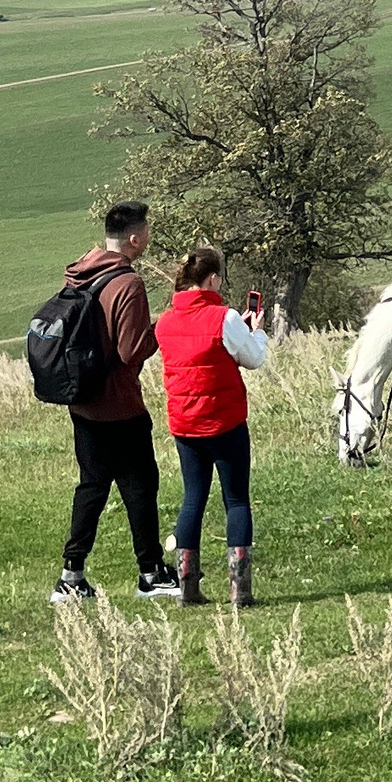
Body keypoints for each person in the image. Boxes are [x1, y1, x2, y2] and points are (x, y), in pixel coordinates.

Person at [52, 201, 180, 605]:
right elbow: (132, 350)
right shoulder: (128, 284)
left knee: (91, 485)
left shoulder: (79, 273)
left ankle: (71, 575)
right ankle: (151, 573)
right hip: (120, 404)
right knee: (140, 486)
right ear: (135, 238)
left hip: (83, 401)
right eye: (147, 234)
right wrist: (163, 327)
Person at [155, 244, 271, 608]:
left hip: (184, 422)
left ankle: (187, 586)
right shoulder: (224, 317)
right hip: (224, 420)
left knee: (193, 498)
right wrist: (259, 332)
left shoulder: (165, 321)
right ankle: (240, 590)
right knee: (236, 500)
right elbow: (253, 359)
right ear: (213, 278)